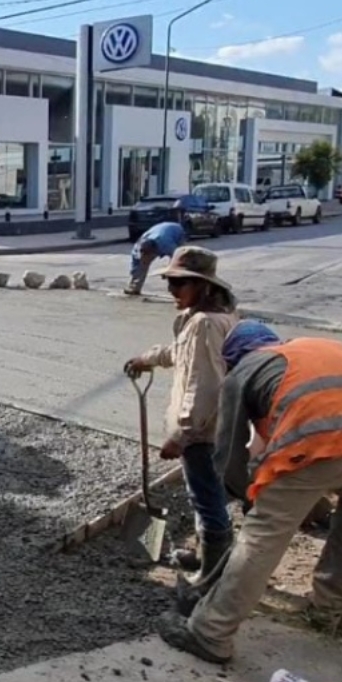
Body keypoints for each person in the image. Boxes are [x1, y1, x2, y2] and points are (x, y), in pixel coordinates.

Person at [159, 320, 342, 663]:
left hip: (316, 441)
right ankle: (328, 614)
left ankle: (209, 634)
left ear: (234, 359)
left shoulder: (244, 371)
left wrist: (250, 496)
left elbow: (229, 456)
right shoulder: (320, 348)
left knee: (261, 538)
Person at [124, 246, 239, 579]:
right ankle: (209, 557)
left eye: (179, 283)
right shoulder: (217, 317)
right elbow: (180, 353)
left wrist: (182, 435)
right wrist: (147, 358)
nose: (171, 290)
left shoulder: (204, 324)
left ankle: (211, 574)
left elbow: (205, 387)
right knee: (210, 493)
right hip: (219, 427)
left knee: (205, 498)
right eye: (170, 282)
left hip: (203, 431)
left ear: (203, 285)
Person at [125, 221, 186, 296]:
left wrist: (168, 270)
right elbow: (135, 264)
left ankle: (178, 288)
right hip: (157, 231)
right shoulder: (138, 246)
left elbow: (177, 256)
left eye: (146, 257)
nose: (144, 259)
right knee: (141, 266)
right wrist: (134, 276)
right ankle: (135, 288)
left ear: (153, 252)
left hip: (177, 231)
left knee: (182, 262)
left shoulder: (167, 244)